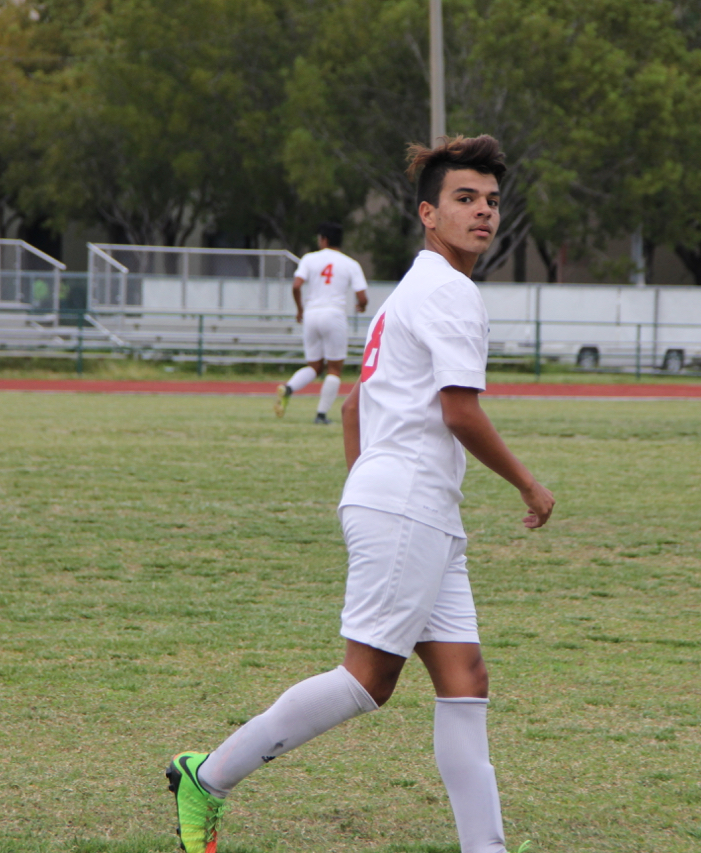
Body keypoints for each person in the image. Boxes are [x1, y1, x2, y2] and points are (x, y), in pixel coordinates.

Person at [168, 135, 555, 853]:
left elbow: (351, 409)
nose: (483, 213)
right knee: (368, 679)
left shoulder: (408, 290)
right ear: (427, 214)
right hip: (408, 501)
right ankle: (208, 776)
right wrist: (528, 483)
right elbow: (460, 412)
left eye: (493, 201)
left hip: (413, 502)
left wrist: (366, 489)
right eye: (464, 199)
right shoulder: (447, 290)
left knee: (465, 676)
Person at [274, 222, 368, 424]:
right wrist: (361, 306)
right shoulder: (350, 264)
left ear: (324, 240)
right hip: (334, 314)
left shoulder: (309, 258)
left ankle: (288, 388)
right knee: (334, 369)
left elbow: (296, 285)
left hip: (311, 314)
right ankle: (321, 415)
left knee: (314, 366)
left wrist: (300, 309)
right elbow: (362, 297)